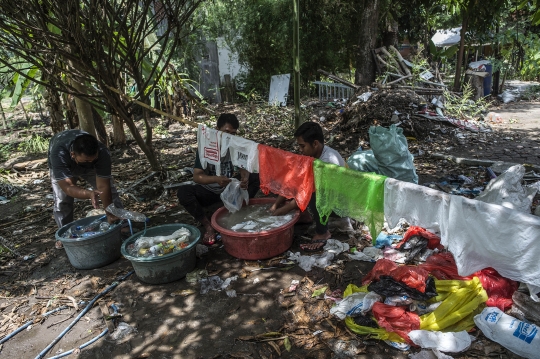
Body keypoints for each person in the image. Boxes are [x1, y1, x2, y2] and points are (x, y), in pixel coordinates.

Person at [177, 114, 260, 245]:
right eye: (226, 132)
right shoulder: (206, 147)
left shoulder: (235, 145)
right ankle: (208, 226)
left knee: (256, 176)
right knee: (183, 192)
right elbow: (197, 176)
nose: (229, 137)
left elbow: (243, 166)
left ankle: (238, 211)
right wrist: (216, 179)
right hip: (209, 191)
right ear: (217, 130)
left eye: (233, 133)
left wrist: (245, 177)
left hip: (229, 189)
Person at [270, 121, 345, 249]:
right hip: (325, 196)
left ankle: (323, 232)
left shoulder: (327, 163)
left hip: (340, 204)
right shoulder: (312, 155)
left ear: (315, 143)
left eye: (302, 146)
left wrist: (280, 211)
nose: (300, 150)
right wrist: (275, 206)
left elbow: (309, 194)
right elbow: (293, 180)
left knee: (314, 195)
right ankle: (307, 215)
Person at [48, 130, 123, 246]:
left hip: (90, 163)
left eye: (93, 159)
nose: (90, 163)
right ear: (73, 154)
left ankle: (119, 223)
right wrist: (89, 193)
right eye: (87, 161)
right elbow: (67, 187)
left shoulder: (102, 152)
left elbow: (103, 186)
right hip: (64, 166)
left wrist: (109, 212)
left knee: (111, 193)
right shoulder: (58, 154)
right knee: (62, 201)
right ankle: (65, 235)